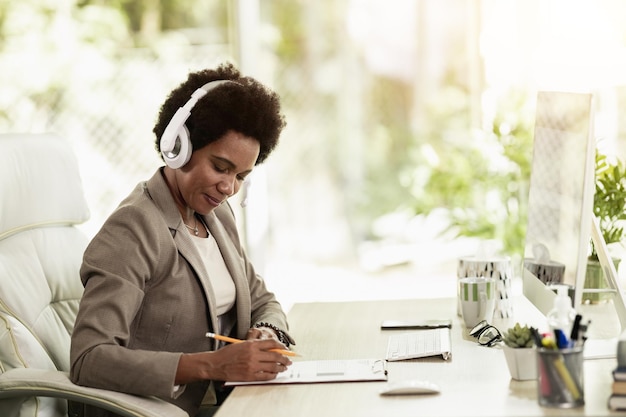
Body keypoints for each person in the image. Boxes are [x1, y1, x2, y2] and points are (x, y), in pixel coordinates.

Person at [70, 62, 295, 417]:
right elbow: (89, 359)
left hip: (221, 405)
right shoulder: (134, 228)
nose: (229, 188)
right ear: (178, 147)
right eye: (220, 167)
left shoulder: (217, 215)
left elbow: (261, 299)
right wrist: (212, 365)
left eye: (241, 176)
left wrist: (266, 331)